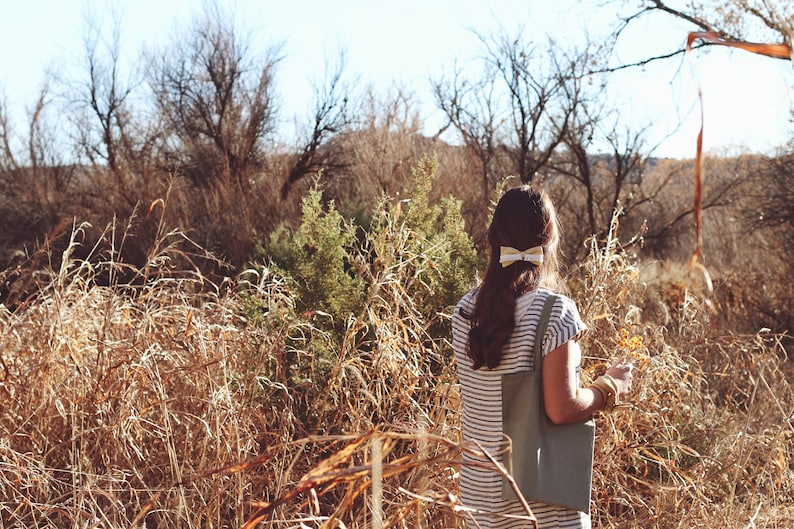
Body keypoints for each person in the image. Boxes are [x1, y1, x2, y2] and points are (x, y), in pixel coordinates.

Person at [452, 185, 633, 529]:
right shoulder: (554, 312)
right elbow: (561, 407)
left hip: (480, 500)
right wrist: (610, 387)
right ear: (549, 241)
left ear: (494, 241)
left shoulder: (464, 312)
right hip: (538, 505)